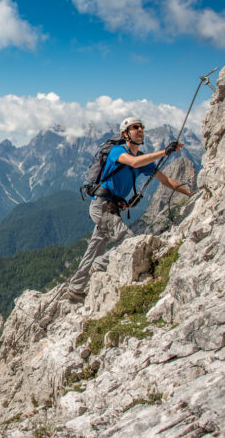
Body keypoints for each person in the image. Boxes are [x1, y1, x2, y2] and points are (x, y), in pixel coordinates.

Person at [65, 117, 192, 302]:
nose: (140, 130)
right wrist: (165, 151)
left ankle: (76, 287)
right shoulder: (118, 151)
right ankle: (100, 265)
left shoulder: (144, 161)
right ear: (126, 134)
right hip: (102, 206)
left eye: (142, 127)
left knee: (95, 247)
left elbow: (166, 180)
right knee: (129, 241)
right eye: (135, 127)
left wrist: (190, 193)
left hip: (111, 209)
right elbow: (133, 163)